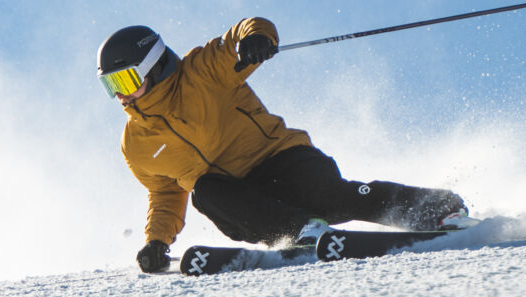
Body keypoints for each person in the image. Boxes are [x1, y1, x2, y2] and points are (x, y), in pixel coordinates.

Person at [98, 19, 468, 273]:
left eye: (126, 80)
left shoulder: (202, 73)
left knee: (333, 197)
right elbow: (165, 193)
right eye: (111, 86)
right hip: (245, 200)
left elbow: (245, 30)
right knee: (204, 192)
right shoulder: (136, 144)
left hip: (281, 160)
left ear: (154, 66)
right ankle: (300, 232)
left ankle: (437, 209)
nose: (121, 95)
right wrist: (157, 241)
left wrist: (256, 39)